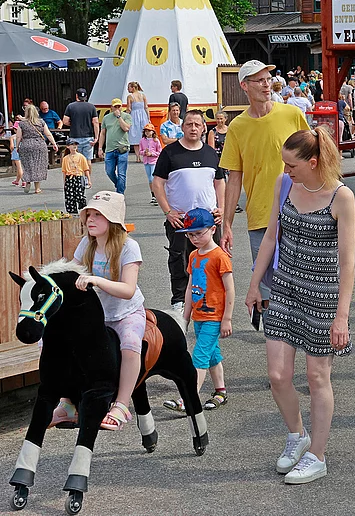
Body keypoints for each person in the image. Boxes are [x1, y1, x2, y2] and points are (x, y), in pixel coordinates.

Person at [246, 128, 355, 484]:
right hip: (284, 288)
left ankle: (317, 455)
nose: (286, 170)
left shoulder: (342, 197)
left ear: (313, 162)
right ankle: (297, 435)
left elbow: (347, 262)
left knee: (316, 376)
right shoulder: (284, 184)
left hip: (322, 295)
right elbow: (271, 238)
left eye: (292, 165)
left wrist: (341, 317)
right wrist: (253, 284)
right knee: (277, 375)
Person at [220, 60, 309, 315]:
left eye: (268, 79)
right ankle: (276, 341)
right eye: (259, 80)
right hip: (260, 216)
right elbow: (234, 179)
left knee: (301, 280)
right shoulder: (237, 127)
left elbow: (314, 157)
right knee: (268, 287)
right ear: (244, 86)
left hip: (299, 211)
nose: (266, 84)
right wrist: (227, 225)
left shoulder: (291, 114)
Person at [71, 191, 146, 431]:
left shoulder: (129, 247)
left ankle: (122, 405)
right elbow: (73, 274)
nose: (90, 219)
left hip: (126, 313)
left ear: (112, 220)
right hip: (97, 315)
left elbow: (128, 289)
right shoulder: (86, 245)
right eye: (88, 214)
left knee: (131, 344)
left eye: (97, 215)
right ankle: (68, 401)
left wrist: (96, 280)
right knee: (68, 342)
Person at [152, 109, 225, 315]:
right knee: (179, 259)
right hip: (180, 220)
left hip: (208, 220)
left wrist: (222, 208)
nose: (193, 128)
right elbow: (157, 183)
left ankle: (209, 297)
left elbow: (219, 182)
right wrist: (168, 211)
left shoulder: (211, 153)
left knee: (210, 258)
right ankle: (179, 300)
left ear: (204, 128)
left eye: (197, 125)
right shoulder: (170, 152)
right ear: (182, 127)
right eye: (189, 124)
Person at [163, 208, 235, 413]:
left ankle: (188, 398)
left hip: (214, 316)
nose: (194, 238)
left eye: (199, 233)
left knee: (200, 357)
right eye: (190, 234)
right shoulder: (194, 255)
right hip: (199, 316)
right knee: (212, 355)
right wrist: (184, 316)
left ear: (213, 229)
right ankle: (220, 391)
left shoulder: (220, 256)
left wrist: (227, 319)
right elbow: (189, 286)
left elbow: (230, 289)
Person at [16, 104, 57, 194]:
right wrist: (54, 143)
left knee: (27, 165)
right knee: (38, 166)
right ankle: (37, 188)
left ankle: (27, 181)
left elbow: (18, 136)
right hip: (39, 145)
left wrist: (17, 146)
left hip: (26, 144)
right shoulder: (41, 122)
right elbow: (48, 134)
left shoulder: (22, 123)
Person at [99, 99, 132, 194]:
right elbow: (103, 133)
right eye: (115, 107)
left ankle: (120, 193)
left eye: (119, 106)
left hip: (123, 148)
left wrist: (119, 117)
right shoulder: (106, 118)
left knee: (121, 173)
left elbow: (126, 128)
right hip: (109, 149)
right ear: (111, 107)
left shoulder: (126, 116)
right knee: (109, 171)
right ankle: (119, 185)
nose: (117, 108)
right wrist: (100, 148)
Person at [63, 87, 99, 163]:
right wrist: (96, 137)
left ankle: (77, 175)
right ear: (86, 96)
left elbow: (65, 121)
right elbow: (95, 122)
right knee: (87, 160)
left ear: (76, 96)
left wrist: (73, 124)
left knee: (75, 160)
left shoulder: (70, 106)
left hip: (75, 136)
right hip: (88, 137)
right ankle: (87, 175)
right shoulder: (91, 107)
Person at [61, 139, 91, 213]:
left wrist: (89, 180)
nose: (74, 146)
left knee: (80, 195)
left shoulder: (81, 157)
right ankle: (72, 213)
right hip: (69, 178)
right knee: (69, 198)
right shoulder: (65, 158)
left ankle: (84, 210)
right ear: (68, 146)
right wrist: (64, 182)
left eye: (75, 144)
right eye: (72, 144)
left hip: (79, 177)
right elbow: (64, 171)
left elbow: (86, 169)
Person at [126, 82, 150, 162]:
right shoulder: (143, 95)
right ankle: (145, 155)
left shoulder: (130, 96)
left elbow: (129, 109)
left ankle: (138, 157)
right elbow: (146, 107)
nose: (128, 89)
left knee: (135, 135)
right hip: (143, 116)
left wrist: (125, 116)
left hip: (134, 116)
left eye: (129, 87)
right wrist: (148, 118)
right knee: (144, 135)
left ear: (133, 88)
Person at [139, 123, 162, 205]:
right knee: (149, 179)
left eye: (149, 131)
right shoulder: (142, 140)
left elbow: (159, 152)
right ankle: (153, 195)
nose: (147, 133)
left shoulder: (156, 141)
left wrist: (151, 154)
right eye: (146, 131)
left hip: (153, 161)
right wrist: (144, 152)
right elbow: (140, 151)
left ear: (153, 132)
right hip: (146, 161)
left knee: (153, 178)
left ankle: (156, 195)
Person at [9, 120, 24, 188]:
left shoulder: (12, 137)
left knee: (19, 167)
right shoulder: (23, 137)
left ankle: (24, 180)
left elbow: (11, 146)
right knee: (21, 167)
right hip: (23, 151)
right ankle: (17, 180)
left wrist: (11, 151)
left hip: (16, 151)